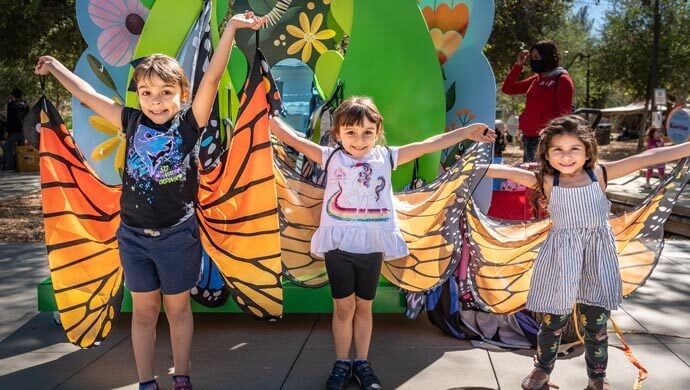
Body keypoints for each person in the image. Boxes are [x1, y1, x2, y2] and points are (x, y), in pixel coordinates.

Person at [35, 12, 264, 390]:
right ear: (137, 95)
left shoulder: (190, 124)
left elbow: (212, 76)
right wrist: (58, 67)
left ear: (182, 95)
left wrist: (232, 29)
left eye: (165, 93)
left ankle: (182, 377)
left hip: (177, 236)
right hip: (134, 237)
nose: (155, 102)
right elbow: (90, 97)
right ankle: (146, 382)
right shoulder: (130, 122)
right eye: (146, 93)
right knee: (143, 312)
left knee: (176, 309)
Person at [270, 96, 495, 390]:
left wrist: (466, 133)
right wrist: (266, 119)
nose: (359, 140)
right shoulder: (330, 157)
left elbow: (430, 144)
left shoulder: (386, 157)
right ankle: (342, 363)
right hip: (338, 245)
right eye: (350, 132)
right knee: (342, 308)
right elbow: (292, 138)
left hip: (372, 245)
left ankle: (361, 362)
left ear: (378, 132)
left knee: (364, 307)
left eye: (367, 132)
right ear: (338, 133)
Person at [483, 115, 690, 390]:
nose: (566, 157)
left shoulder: (600, 174)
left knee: (596, 322)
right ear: (546, 152)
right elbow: (506, 172)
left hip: (596, 257)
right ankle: (541, 370)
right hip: (560, 257)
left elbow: (646, 158)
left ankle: (597, 378)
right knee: (552, 320)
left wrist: (685, 148)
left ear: (587, 151)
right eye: (558, 149)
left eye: (574, 149)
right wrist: (467, 168)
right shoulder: (546, 181)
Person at [501, 40, 574, 163]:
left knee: (541, 178)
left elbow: (565, 116)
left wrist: (554, 139)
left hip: (546, 139)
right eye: (532, 58)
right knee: (530, 178)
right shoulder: (536, 80)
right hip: (529, 137)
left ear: (547, 57)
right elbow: (507, 89)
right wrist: (518, 65)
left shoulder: (562, 79)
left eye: (536, 57)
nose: (533, 61)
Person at [4, 88, 29, 170]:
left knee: (8, 147)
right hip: (23, 130)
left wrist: (7, 131)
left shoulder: (11, 105)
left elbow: (10, 119)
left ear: (13, 95)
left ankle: (11, 166)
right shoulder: (25, 105)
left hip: (14, 130)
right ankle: (22, 165)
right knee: (21, 148)